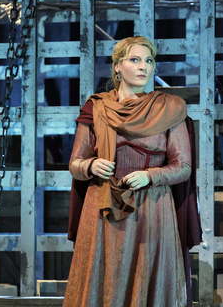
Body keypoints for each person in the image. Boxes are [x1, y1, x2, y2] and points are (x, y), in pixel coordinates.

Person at [63, 36, 202, 307]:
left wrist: (150, 176)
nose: (144, 67)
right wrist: (91, 165)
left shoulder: (168, 109)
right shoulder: (97, 108)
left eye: (149, 61)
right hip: (104, 206)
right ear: (117, 67)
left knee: (148, 279)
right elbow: (75, 163)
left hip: (151, 209)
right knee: (104, 280)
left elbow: (183, 166)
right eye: (135, 60)